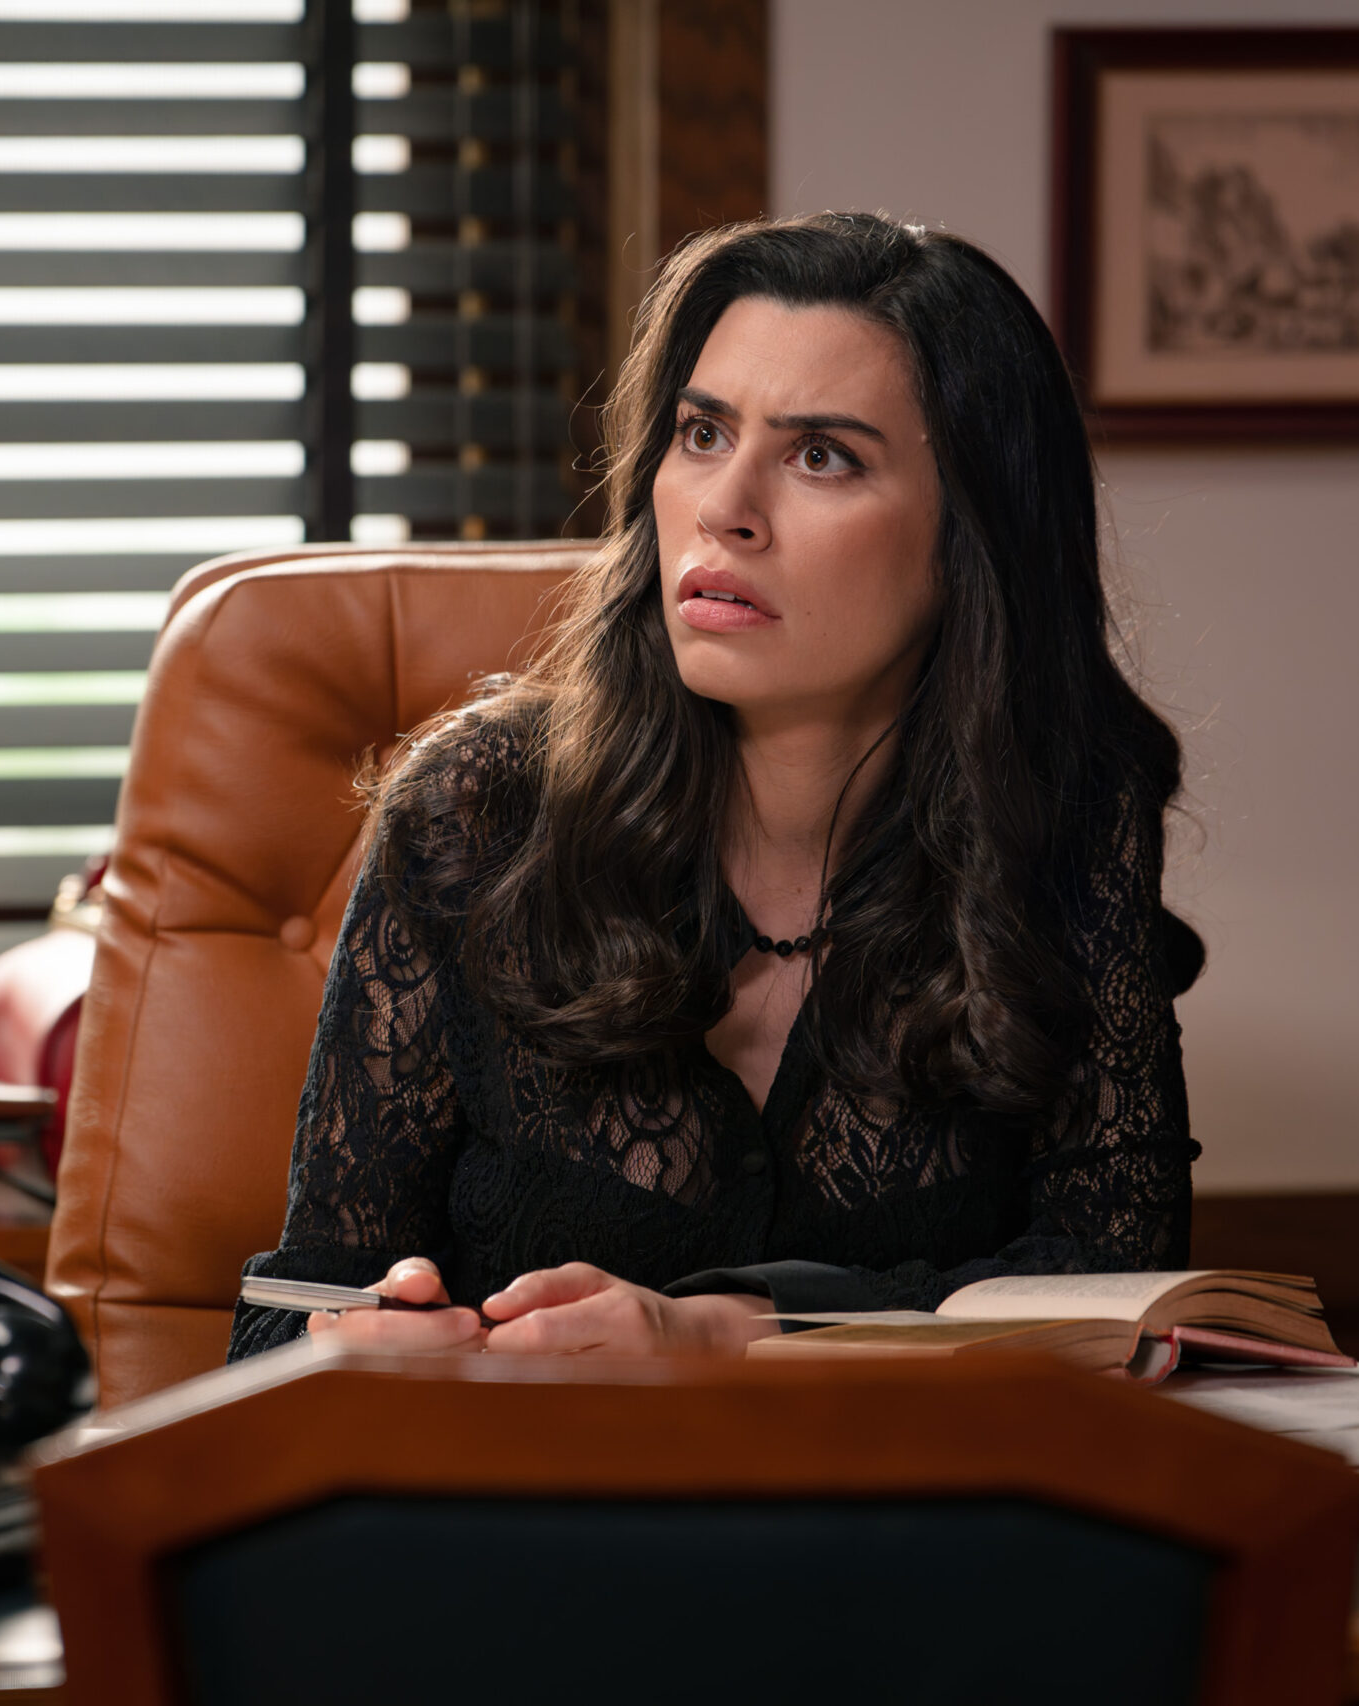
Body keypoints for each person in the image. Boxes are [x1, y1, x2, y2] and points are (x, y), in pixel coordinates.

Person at [229, 211, 1198, 1363]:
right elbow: (282, 1317)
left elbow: (1116, 1283)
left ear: (970, 535)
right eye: (701, 431)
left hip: (895, 1487)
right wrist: (351, 1348)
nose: (723, 505)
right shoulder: (477, 811)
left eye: (820, 455)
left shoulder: (1063, 823)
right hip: (517, 1479)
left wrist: (736, 1333)